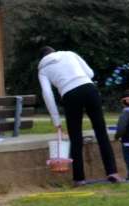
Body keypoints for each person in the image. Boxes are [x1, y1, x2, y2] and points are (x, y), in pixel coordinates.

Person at [37, 47, 120, 184]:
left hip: (70, 95)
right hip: (89, 88)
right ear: (54, 51)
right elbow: (90, 73)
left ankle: (79, 178)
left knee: (76, 137)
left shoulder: (43, 70)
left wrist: (57, 122)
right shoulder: (69, 54)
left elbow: (47, 94)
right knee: (101, 132)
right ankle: (112, 172)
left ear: (41, 58)